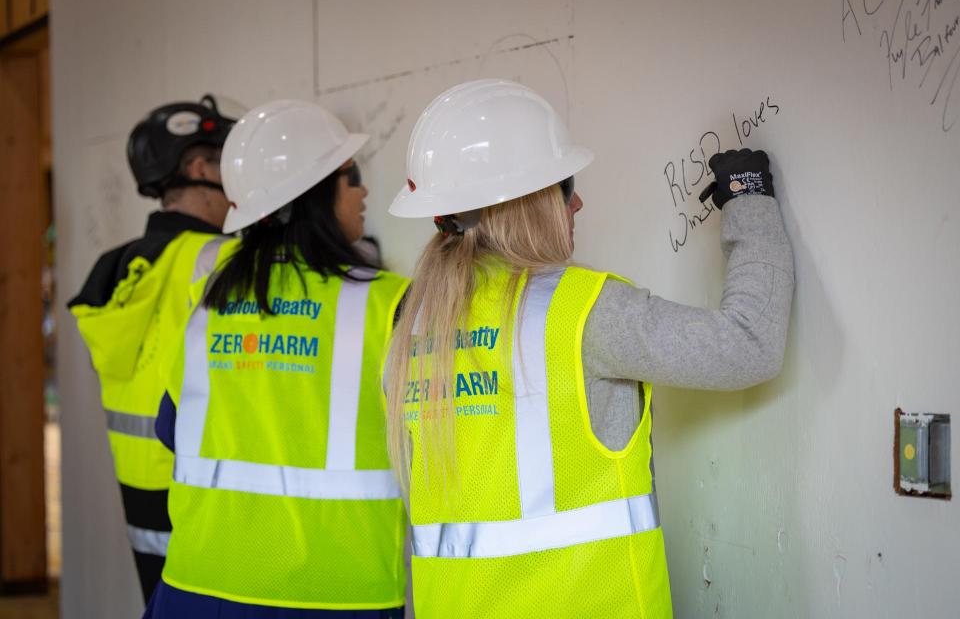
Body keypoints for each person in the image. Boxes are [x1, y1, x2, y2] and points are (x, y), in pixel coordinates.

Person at [384, 79, 794, 619]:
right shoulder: (584, 311)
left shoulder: (416, 321)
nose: (577, 201)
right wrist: (748, 201)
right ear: (525, 202)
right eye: (564, 185)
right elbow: (749, 345)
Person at [144, 100, 409, 618]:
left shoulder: (208, 302)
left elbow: (170, 428)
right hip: (332, 594)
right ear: (314, 193)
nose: (364, 190)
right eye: (351, 175)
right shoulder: (388, 304)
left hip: (196, 586)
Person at [69, 95, 237, 601]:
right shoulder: (220, 259)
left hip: (139, 496)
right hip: (201, 494)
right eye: (228, 161)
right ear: (201, 167)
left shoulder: (117, 267)